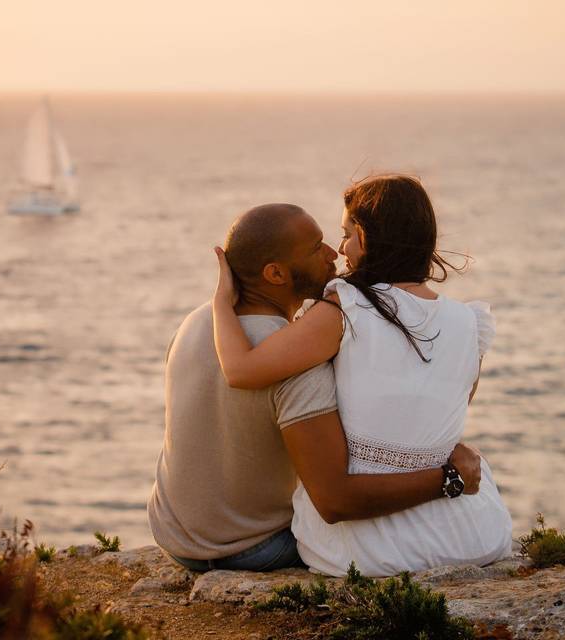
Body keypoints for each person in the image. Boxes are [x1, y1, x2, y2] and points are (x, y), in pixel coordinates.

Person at [147, 203, 484, 572]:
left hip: (174, 539)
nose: (332, 255)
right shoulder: (297, 364)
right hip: (252, 549)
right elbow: (336, 501)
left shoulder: (197, 323)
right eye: (316, 247)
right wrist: (448, 479)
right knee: (395, 538)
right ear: (275, 273)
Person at [211, 176, 513, 577]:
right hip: (470, 534)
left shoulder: (346, 308)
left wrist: (220, 302)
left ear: (369, 239)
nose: (341, 250)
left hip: (367, 548)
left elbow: (241, 370)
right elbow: (429, 426)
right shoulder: (469, 324)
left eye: (347, 234)